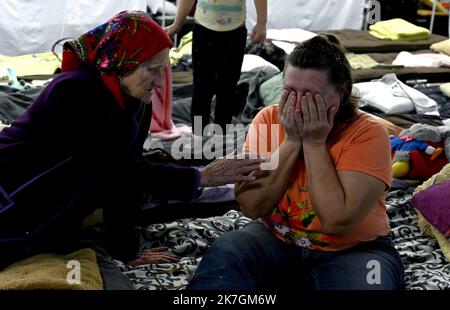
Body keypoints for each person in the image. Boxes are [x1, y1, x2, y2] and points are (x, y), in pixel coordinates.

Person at [0, 10, 262, 270]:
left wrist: (126, 250)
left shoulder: (137, 102)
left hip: (47, 213)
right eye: (152, 70)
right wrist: (202, 176)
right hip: (10, 193)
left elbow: (122, 181)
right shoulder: (73, 91)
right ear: (121, 62)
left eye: (164, 70)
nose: (160, 82)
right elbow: (117, 169)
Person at [187, 34, 405, 290]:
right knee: (227, 250)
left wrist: (313, 143)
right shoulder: (268, 119)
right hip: (277, 239)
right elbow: (252, 207)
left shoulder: (368, 133)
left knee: (368, 284)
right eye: (290, 92)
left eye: (311, 96)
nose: (297, 105)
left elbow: (336, 221)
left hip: (354, 251)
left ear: (342, 92)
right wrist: (291, 141)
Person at [166, 0, 267, 132]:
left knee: (227, 89)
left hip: (235, 32)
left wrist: (261, 23)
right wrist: (177, 24)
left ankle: (221, 139)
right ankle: (198, 137)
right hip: (204, 30)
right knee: (201, 90)